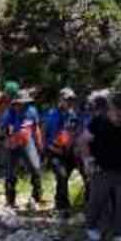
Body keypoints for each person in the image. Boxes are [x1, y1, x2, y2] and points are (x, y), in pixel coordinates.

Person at [85, 93, 121, 241]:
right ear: (109, 109)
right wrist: (88, 160)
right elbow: (82, 141)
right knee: (97, 201)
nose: (119, 114)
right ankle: (91, 226)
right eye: (116, 110)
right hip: (101, 169)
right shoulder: (97, 122)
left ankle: (120, 232)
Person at [0, 89, 45, 208]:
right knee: (10, 173)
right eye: (19, 103)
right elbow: (1, 130)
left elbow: (36, 127)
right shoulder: (8, 113)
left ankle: (37, 196)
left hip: (27, 141)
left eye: (24, 103)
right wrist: (9, 137)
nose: (21, 106)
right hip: (12, 143)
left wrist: (39, 144)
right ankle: (10, 200)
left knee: (36, 167)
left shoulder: (32, 111)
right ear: (15, 103)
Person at [44, 88, 83, 217]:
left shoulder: (75, 115)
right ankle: (62, 206)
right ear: (60, 100)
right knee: (62, 176)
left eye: (71, 100)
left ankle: (89, 205)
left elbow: (78, 131)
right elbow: (46, 133)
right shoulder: (51, 115)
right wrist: (46, 149)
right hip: (55, 152)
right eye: (67, 100)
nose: (70, 102)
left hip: (71, 152)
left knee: (85, 175)